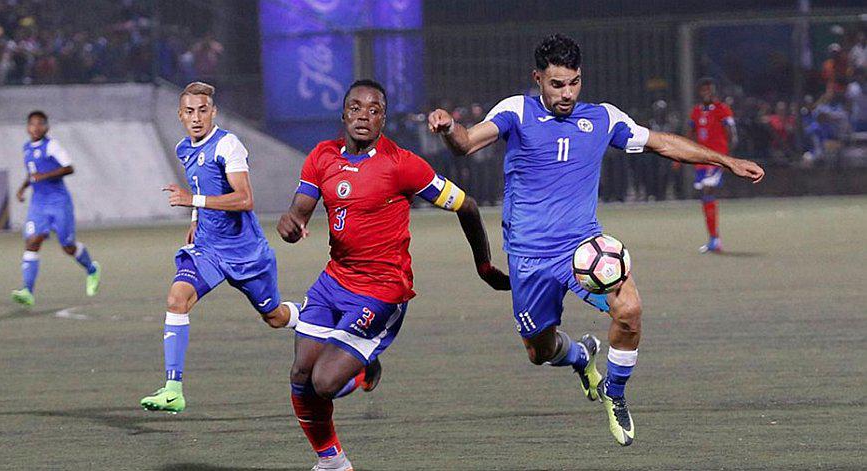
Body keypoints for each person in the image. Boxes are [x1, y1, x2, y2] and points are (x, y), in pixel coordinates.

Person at [427, 34, 764, 446]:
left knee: (631, 311)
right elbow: (464, 143)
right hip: (528, 256)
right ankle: (580, 356)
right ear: (538, 78)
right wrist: (448, 129)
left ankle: (615, 393)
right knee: (540, 350)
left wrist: (724, 160)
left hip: (583, 250)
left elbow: (661, 142)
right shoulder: (517, 111)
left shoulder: (603, 118)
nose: (566, 93)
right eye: (556, 84)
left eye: (573, 82)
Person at [277, 79, 508, 471]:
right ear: (344, 112)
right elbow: (299, 211)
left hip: (382, 292)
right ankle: (332, 461)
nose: (363, 116)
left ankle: (364, 368)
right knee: (301, 373)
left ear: (383, 118)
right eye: (355, 107)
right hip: (334, 282)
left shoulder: (402, 164)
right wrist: (292, 222)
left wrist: (483, 265)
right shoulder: (322, 156)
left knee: (324, 383)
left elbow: (466, 205)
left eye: (373, 110)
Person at [139, 82, 300, 413]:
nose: (196, 118)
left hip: (246, 253)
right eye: (189, 112)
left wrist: (191, 201)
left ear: (212, 112)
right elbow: (203, 185)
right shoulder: (186, 148)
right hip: (208, 248)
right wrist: (196, 218)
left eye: (202, 111)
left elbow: (245, 199)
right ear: (180, 115)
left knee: (274, 316)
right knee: (177, 298)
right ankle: (173, 389)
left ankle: (319, 317)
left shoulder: (228, 145)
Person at [11, 110, 101, 307]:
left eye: (40, 124)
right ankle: (27, 291)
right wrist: (22, 188)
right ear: (27, 127)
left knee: (67, 246)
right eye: (32, 124)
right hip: (38, 204)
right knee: (32, 241)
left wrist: (44, 177)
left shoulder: (51, 146)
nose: (36, 128)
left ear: (47, 127)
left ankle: (91, 269)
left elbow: (69, 167)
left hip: (59, 203)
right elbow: (32, 173)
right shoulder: (26, 148)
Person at [689, 78, 738, 253]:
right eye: (703, 89)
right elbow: (691, 134)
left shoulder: (722, 109)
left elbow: (732, 133)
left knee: (708, 191)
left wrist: (728, 158)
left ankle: (715, 239)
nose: (706, 92)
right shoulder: (696, 111)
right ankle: (713, 237)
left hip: (717, 158)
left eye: (709, 89)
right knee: (705, 195)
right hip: (702, 160)